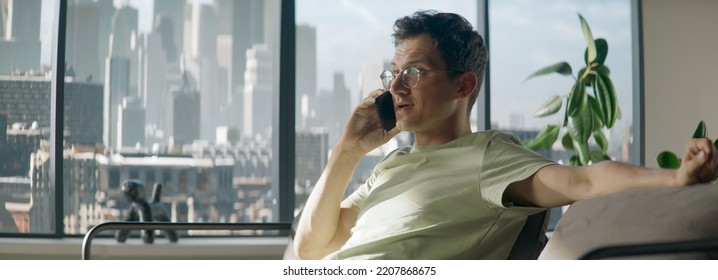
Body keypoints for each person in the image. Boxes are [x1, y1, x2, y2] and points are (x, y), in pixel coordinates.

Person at [293, 10, 718, 260]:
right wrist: (346, 151)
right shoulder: (391, 167)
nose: (396, 87)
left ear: (464, 86)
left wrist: (674, 178)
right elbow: (311, 247)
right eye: (394, 73)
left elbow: (583, 180)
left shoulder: (488, 156)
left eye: (415, 72)